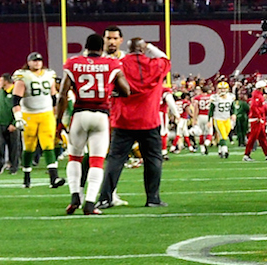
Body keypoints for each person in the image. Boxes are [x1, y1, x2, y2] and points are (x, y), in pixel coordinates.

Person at [56, 34, 129, 215]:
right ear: (102, 47)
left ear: (86, 47)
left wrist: (58, 122)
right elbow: (126, 90)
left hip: (80, 114)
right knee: (96, 161)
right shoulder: (111, 63)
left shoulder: (73, 63)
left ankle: (75, 196)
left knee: (75, 157)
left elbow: (62, 95)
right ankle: (89, 203)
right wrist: (111, 91)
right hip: (101, 115)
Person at [96, 38, 171, 209]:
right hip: (149, 119)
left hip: (124, 119)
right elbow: (166, 59)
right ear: (143, 49)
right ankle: (153, 198)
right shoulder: (155, 64)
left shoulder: (118, 64)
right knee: (153, 160)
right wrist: (150, 47)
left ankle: (105, 198)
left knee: (115, 160)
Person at [12, 51, 65, 189]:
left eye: (39, 60)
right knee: (29, 146)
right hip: (29, 114)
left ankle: (54, 178)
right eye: (34, 60)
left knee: (48, 144)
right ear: (28, 62)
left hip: (46, 113)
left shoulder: (49, 75)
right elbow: (15, 100)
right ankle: (27, 176)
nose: (37, 63)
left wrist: (56, 115)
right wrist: (18, 117)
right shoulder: (23, 76)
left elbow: (54, 97)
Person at [243, 81, 267, 161]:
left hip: (260, 119)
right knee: (253, 138)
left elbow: (263, 107)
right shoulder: (256, 96)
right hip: (256, 120)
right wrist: (259, 117)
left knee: (263, 138)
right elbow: (254, 107)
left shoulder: (259, 95)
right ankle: (246, 155)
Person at [208, 81, 237, 159]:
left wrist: (233, 114)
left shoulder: (231, 96)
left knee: (224, 135)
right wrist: (209, 120)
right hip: (218, 119)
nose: (223, 90)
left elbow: (233, 107)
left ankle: (220, 150)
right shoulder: (215, 98)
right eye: (221, 89)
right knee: (223, 135)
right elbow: (211, 110)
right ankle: (225, 151)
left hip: (227, 119)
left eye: (224, 89)